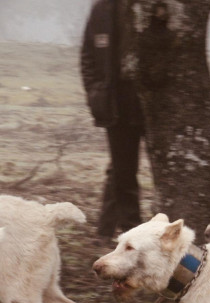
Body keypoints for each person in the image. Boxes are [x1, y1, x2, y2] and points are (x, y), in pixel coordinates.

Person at [81, 0, 144, 239]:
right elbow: (87, 55)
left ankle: (106, 229)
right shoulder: (102, 8)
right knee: (123, 170)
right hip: (117, 104)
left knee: (122, 169)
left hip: (151, 103)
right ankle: (131, 230)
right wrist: (95, 92)